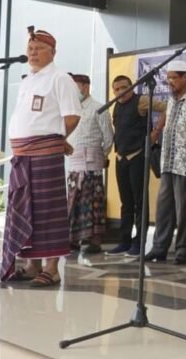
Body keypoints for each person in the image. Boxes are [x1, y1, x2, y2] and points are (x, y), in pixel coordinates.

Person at [0, 28, 81, 287]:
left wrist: (57, 139)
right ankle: (31, 265)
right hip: (22, 156)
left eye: (39, 49)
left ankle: (52, 269)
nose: (33, 53)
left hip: (45, 155)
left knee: (48, 211)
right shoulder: (27, 81)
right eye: (30, 49)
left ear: (52, 52)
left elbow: (72, 116)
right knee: (24, 209)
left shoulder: (60, 79)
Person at [145, 61, 186, 264]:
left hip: (185, 166)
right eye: (168, 78)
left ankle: (182, 250)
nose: (170, 82)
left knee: (184, 210)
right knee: (163, 208)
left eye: (174, 78)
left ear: (185, 77)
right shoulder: (170, 101)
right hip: (167, 164)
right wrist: (155, 133)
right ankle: (159, 248)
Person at [107, 75, 166, 257]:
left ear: (131, 87)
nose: (120, 92)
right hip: (121, 158)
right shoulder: (116, 105)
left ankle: (139, 243)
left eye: (124, 88)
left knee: (140, 201)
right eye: (116, 89)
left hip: (138, 156)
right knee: (126, 202)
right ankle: (124, 241)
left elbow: (167, 107)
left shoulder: (141, 101)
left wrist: (156, 132)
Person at [66, 73, 114, 254]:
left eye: (75, 87)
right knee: (73, 201)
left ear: (85, 86)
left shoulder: (99, 108)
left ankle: (94, 240)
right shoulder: (70, 109)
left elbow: (108, 138)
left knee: (93, 202)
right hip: (73, 162)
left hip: (92, 163)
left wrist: (101, 156)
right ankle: (73, 239)